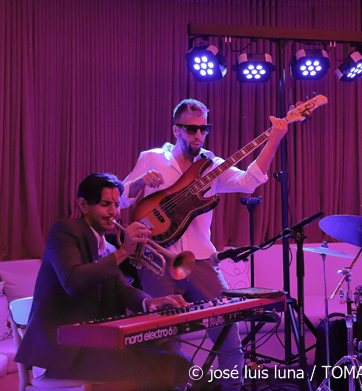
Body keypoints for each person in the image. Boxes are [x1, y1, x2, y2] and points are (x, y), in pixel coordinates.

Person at [120, 98, 288, 391]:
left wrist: (274, 138)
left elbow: (248, 182)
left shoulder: (212, 165)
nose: (198, 135)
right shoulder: (152, 158)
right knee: (163, 342)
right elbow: (122, 198)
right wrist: (139, 183)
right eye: (191, 129)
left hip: (200, 260)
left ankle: (233, 388)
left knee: (228, 336)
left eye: (203, 128)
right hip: (158, 261)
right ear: (176, 130)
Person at [15, 173, 191, 390]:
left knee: (180, 361)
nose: (113, 212)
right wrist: (124, 251)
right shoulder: (64, 232)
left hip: (96, 340)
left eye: (116, 205)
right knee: (156, 367)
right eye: (105, 204)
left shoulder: (107, 247)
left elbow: (122, 288)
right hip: (63, 350)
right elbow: (74, 282)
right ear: (83, 205)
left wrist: (149, 302)